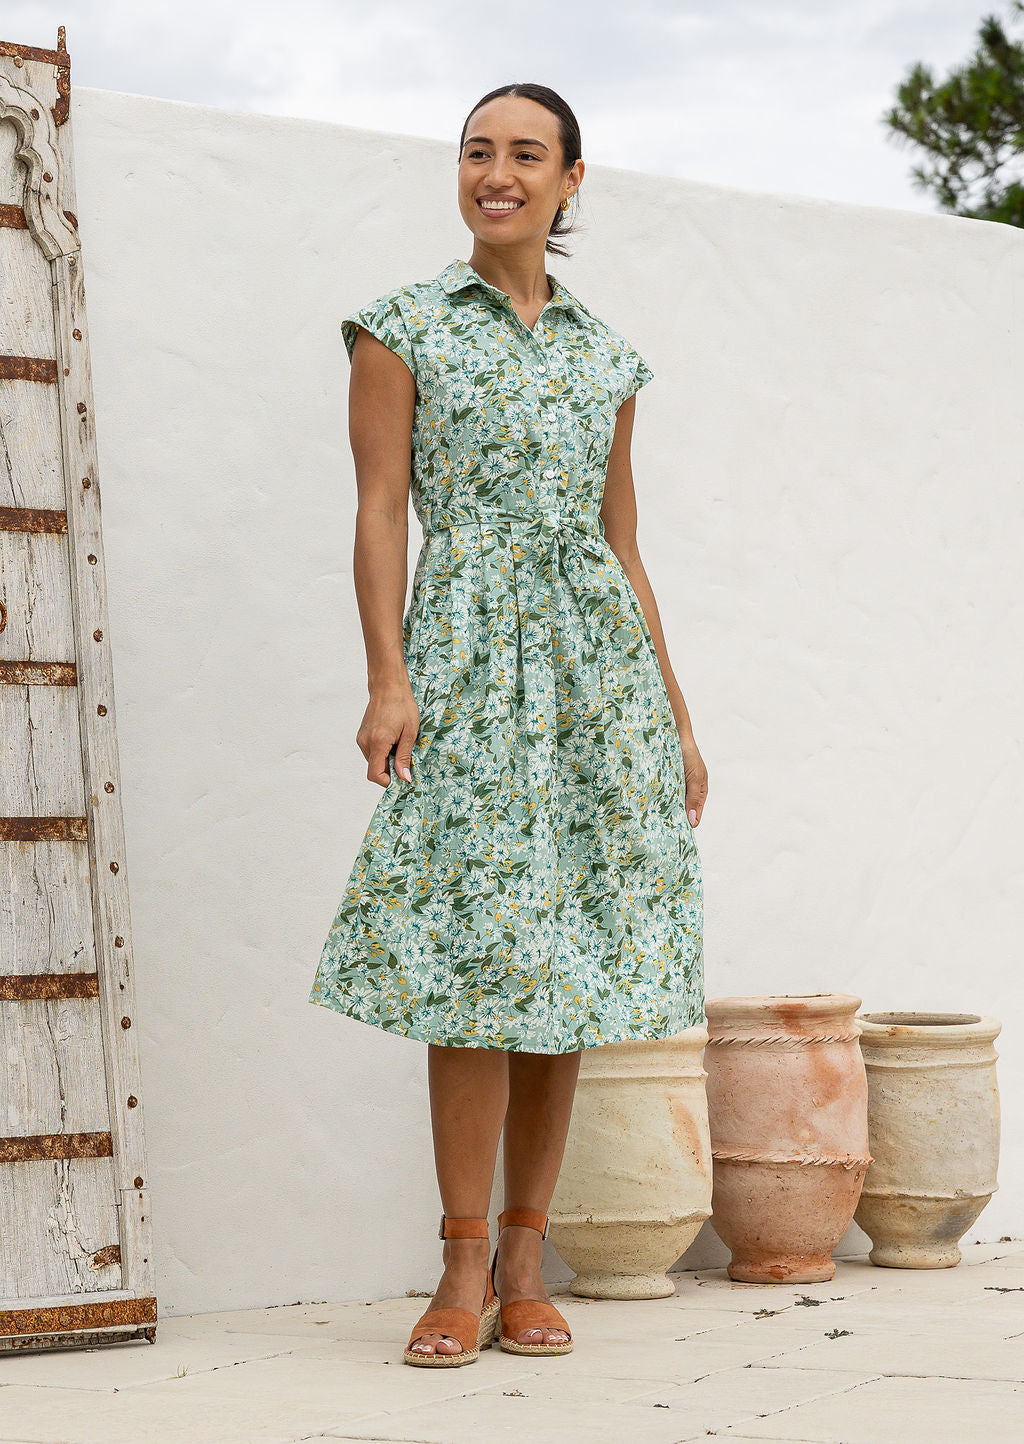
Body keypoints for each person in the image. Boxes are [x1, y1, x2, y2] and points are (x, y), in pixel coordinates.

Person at [308, 81, 707, 1367]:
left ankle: (529, 1260)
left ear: (569, 181)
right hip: (469, 663)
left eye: (524, 154)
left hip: (599, 680)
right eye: (477, 151)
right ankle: (461, 1262)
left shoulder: (606, 357)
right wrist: (386, 679)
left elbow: (619, 545)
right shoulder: (403, 328)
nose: (496, 172)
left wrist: (677, 718)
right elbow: (379, 515)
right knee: (477, 963)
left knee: (568, 962)